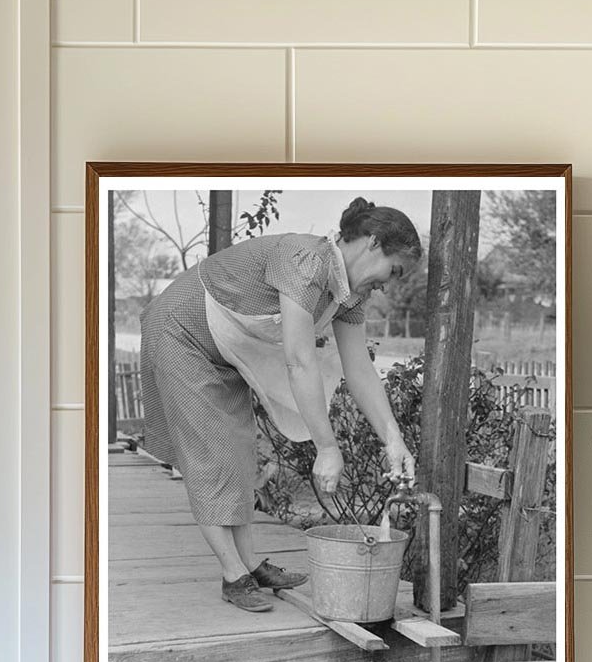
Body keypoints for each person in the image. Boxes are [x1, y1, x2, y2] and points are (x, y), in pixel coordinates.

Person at [140, 196, 421, 612]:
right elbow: (299, 360)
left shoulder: (347, 296)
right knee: (210, 455)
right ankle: (233, 575)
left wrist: (393, 440)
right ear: (373, 243)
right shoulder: (305, 260)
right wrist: (327, 447)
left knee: (238, 450)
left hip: (222, 348)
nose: (388, 285)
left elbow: (359, 369)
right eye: (393, 271)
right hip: (179, 330)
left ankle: (250, 564)